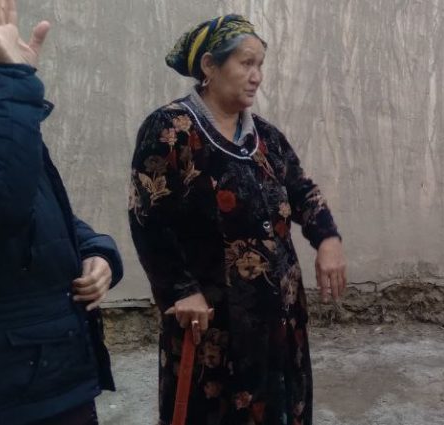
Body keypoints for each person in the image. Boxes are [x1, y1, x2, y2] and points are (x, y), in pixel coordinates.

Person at [129, 14, 347, 424]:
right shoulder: (171, 130)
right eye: (246, 63)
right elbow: (148, 219)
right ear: (210, 66)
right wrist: (181, 291)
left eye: (260, 65)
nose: (256, 76)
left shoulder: (266, 137)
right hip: (213, 320)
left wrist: (328, 239)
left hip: (279, 318)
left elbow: (302, 190)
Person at [0, 1, 124, 424]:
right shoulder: (4, 104)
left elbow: (43, 210)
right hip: (0, 394)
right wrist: (11, 80)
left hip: (53, 375)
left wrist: (97, 250)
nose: (7, 26)